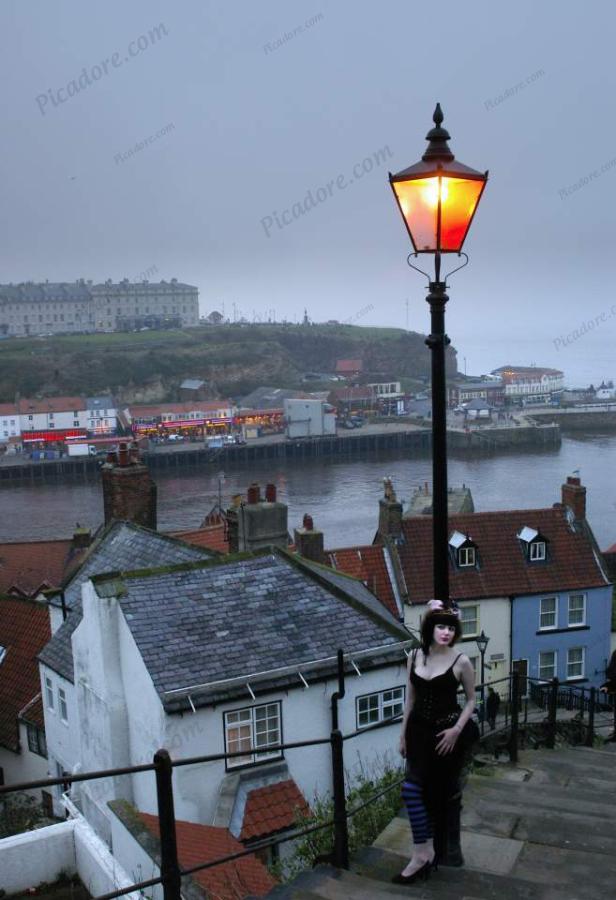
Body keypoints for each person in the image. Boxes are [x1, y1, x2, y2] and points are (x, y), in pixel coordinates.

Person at [394, 601, 476, 885]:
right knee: (410, 790)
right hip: (418, 733)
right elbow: (411, 699)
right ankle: (424, 851)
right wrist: (402, 733)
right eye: (441, 626)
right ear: (430, 627)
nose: (446, 632)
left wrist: (456, 730)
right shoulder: (415, 656)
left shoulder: (461, 661)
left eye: (451, 628)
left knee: (430, 795)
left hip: (445, 737)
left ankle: (423, 855)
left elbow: (472, 701)